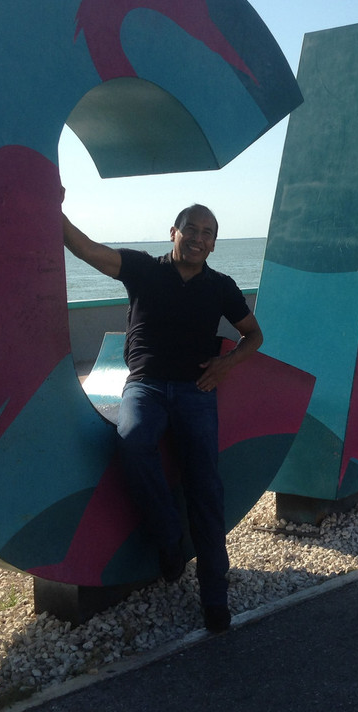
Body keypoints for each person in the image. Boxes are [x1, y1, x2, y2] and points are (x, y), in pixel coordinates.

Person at [62, 202, 263, 634]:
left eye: (208, 233)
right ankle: (169, 536)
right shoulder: (142, 269)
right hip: (146, 386)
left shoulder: (222, 286)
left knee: (206, 490)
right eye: (191, 230)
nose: (199, 239)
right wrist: (52, 209)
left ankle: (215, 598)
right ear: (173, 231)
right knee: (133, 438)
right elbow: (84, 249)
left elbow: (254, 335)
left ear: (214, 242)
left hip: (196, 391)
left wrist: (226, 366)